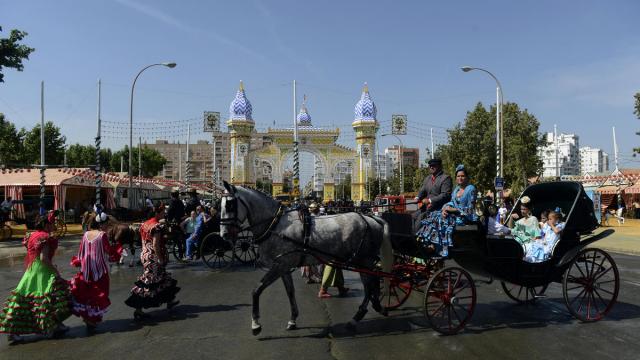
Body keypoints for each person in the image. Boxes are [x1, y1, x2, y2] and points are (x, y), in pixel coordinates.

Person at [0, 211, 71, 343]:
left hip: (31, 269)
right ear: (46, 224)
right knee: (52, 298)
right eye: (51, 223)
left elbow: (33, 252)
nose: (53, 226)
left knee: (23, 300)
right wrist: (54, 269)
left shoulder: (31, 235)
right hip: (42, 270)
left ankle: (14, 331)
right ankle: (50, 327)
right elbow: (44, 258)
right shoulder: (44, 236)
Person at [124, 204, 180, 320]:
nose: (164, 214)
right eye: (163, 212)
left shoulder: (145, 224)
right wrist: (161, 258)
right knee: (150, 283)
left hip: (144, 254)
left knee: (162, 278)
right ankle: (138, 309)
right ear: (157, 213)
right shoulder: (156, 226)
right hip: (153, 256)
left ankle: (170, 300)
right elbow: (155, 244)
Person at [69, 212, 116, 334]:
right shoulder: (102, 235)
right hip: (100, 270)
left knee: (86, 294)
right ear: (103, 224)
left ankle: (88, 319)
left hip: (86, 270)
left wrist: (80, 262)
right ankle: (92, 319)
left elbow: (81, 252)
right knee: (99, 294)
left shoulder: (85, 234)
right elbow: (108, 251)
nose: (107, 226)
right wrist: (117, 250)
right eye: (107, 224)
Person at [417, 164, 477, 257]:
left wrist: (453, 210)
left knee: (440, 220)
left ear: (467, 177)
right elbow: (451, 203)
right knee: (433, 215)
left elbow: (470, 209)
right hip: (452, 214)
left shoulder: (471, 189)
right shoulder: (456, 189)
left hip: (463, 217)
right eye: (458, 176)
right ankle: (429, 242)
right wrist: (444, 209)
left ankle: (438, 247)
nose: (460, 178)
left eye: (462, 176)